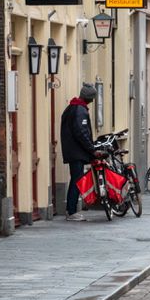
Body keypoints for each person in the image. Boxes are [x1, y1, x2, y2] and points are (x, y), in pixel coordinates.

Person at [60, 82, 102, 221]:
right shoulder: (80, 111)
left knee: (76, 179)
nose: (93, 100)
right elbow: (81, 132)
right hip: (77, 152)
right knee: (77, 180)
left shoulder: (72, 107)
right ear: (89, 98)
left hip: (72, 151)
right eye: (92, 97)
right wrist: (92, 149)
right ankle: (71, 211)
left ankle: (71, 210)